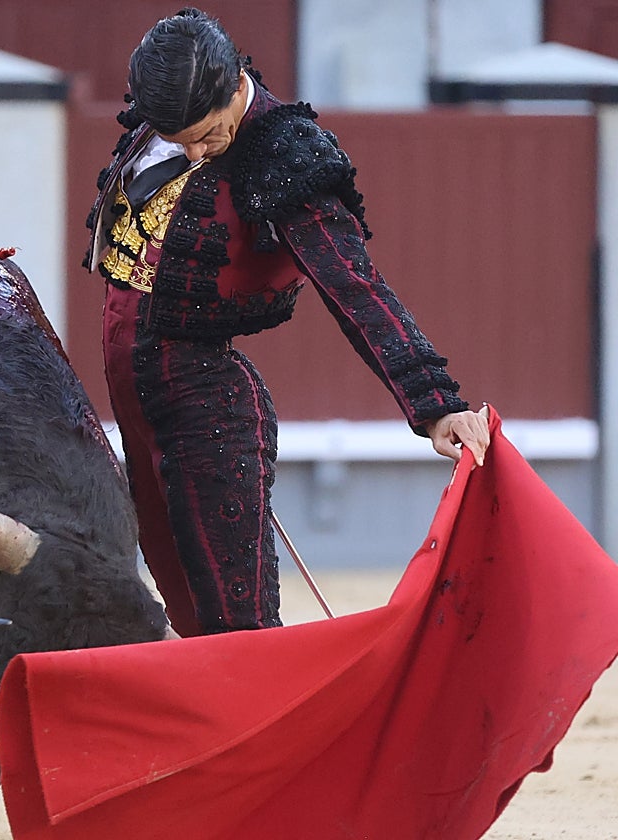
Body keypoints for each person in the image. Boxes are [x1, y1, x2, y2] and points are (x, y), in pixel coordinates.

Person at [84, 8, 491, 638]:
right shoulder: (164, 112)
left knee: (233, 617)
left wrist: (436, 404)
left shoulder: (284, 150)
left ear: (233, 86)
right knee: (181, 595)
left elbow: (351, 284)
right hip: (138, 395)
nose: (192, 151)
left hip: (203, 404)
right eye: (178, 137)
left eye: (206, 134)